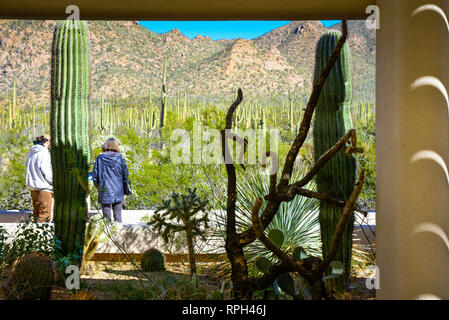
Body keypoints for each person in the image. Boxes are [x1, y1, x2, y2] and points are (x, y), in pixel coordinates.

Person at [92, 138, 130, 223]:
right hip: (118, 191)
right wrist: (125, 189)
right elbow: (126, 175)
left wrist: (99, 187)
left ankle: (108, 235)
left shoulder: (99, 158)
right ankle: (118, 235)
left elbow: (95, 176)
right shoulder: (120, 158)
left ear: (105, 146)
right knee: (118, 218)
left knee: (106, 220)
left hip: (104, 190)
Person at [26, 134, 53, 223]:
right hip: (43, 189)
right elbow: (46, 172)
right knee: (44, 217)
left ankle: (35, 236)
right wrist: (55, 182)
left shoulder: (32, 152)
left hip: (33, 189)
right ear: (47, 142)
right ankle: (42, 237)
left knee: (37, 215)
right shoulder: (44, 152)